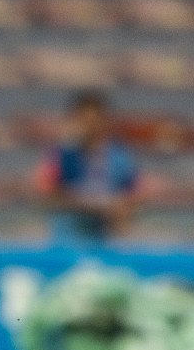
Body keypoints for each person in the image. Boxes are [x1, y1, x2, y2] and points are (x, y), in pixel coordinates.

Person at [36, 89, 140, 244]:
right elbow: (47, 196)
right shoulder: (62, 155)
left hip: (104, 241)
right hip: (68, 240)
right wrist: (92, 205)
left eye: (94, 122)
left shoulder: (119, 159)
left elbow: (132, 196)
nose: (90, 128)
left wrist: (121, 211)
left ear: (105, 122)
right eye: (84, 121)